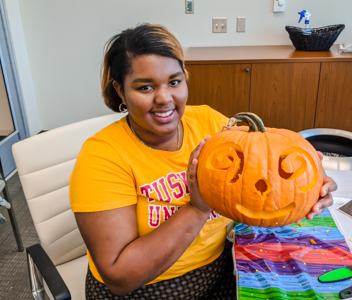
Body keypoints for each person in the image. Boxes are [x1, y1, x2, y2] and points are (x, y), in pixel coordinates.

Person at [69, 23, 337, 300]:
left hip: (221, 272)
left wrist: (308, 182)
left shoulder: (210, 124)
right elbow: (119, 277)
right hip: (145, 291)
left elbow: (266, 164)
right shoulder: (102, 157)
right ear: (121, 91)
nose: (164, 98)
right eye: (146, 87)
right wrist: (198, 207)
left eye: (174, 82)